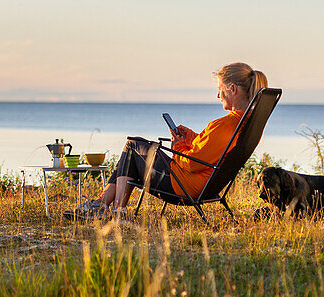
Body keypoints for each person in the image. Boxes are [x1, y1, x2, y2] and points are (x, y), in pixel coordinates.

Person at [69, 62, 269, 219]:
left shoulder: (224, 125)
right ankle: (101, 205)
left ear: (232, 89)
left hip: (183, 186)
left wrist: (177, 145)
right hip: (206, 186)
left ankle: (115, 211)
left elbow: (191, 163)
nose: (218, 95)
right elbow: (210, 149)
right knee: (133, 154)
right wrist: (190, 136)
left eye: (220, 89)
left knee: (133, 146)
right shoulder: (245, 126)